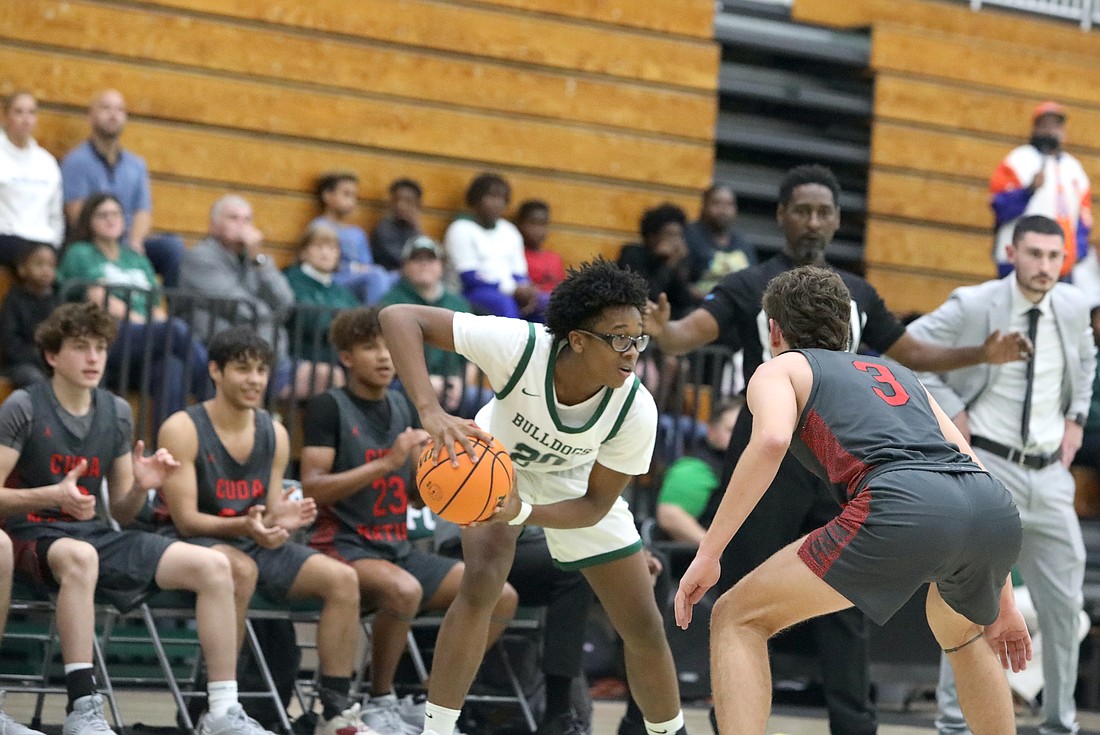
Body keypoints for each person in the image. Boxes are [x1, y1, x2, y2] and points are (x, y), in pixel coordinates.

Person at [647, 163, 1032, 735]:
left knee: (735, 616)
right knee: (962, 629)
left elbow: (771, 439)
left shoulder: (781, 367)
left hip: (900, 504)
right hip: (988, 510)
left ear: (773, 331)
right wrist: (1003, 603)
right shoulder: (897, 374)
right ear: (848, 328)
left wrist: (709, 552)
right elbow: (972, 466)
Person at [380, 258, 689, 735]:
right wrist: (429, 410)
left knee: (643, 624)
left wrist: (523, 511)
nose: (632, 352)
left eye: (638, 339)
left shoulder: (635, 408)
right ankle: (436, 730)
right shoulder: (520, 347)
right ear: (578, 340)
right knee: (482, 584)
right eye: (619, 338)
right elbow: (399, 316)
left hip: (575, 483)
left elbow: (595, 507)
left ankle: (671, 732)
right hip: (495, 463)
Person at [0, 302, 274, 735]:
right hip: (29, 530)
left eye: (100, 348)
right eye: (80, 347)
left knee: (215, 566)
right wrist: (52, 495)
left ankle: (221, 711)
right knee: (81, 557)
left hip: (92, 533)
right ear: (52, 355)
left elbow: (123, 513)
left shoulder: (116, 411)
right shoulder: (24, 405)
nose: (93, 357)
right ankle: (83, 708)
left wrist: (141, 487)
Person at [906, 214, 1095, 735]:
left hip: (1050, 474)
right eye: (1034, 253)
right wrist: (951, 410)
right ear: (1011, 253)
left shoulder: (1074, 306)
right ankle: (954, 723)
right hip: (989, 466)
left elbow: (1086, 361)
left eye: (1054, 256)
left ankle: (1060, 723)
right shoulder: (975, 304)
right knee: (967, 597)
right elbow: (907, 351)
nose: (1044, 265)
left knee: (1065, 605)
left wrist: (1077, 418)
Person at [299, 306, 518, 735]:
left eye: (388, 347)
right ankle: (380, 698)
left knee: (501, 596)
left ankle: (426, 698)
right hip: (341, 545)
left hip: (395, 546)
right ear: (346, 357)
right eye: (370, 347)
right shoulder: (328, 407)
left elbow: (420, 494)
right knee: (404, 590)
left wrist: (459, 478)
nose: (384, 356)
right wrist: (386, 463)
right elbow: (313, 486)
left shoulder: (402, 405)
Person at [154, 326, 370, 735]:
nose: (254, 379)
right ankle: (219, 710)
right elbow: (185, 520)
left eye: (261, 370)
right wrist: (251, 526)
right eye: (242, 369)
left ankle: (334, 711)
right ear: (215, 371)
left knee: (343, 579)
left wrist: (279, 521)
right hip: (190, 545)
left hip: (249, 540)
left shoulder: (276, 432)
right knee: (240, 569)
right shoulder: (182, 428)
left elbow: (268, 512)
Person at [58, 193, 209, 424]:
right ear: (89, 221)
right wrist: (143, 321)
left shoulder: (136, 258)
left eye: (116, 214)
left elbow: (157, 306)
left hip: (143, 337)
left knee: (172, 367)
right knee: (174, 330)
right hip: (105, 336)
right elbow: (98, 297)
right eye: (102, 215)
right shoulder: (80, 253)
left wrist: (151, 323)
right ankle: (214, 396)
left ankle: (167, 442)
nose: (111, 219)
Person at [59, 90, 185, 287]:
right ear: (90, 117)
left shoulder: (136, 165)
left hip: (128, 243)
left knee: (172, 248)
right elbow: (78, 214)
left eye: (119, 109)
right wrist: (109, 242)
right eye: (106, 108)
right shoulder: (76, 162)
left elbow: (143, 211)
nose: (113, 114)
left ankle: (171, 306)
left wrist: (135, 242)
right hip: (95, 243)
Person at [178, 195, 295, 397]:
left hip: (267, 355)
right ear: (213, 226)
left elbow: (285, 302)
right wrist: (274, 316)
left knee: (325, 376)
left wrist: (259, 261)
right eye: (233, 218)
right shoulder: (199, 258)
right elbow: (241, 308)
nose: (242, 225)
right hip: (219, 354)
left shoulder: (256, 259)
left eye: (247, 219)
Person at [990, 101, 1092, 278]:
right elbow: (999, 206)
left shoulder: (1074, 169)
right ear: (1035, 128)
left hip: (1061, 264)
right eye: (1045, 125)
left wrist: (1078, 252)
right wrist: (1028, 192)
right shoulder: (1018, 161)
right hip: (1017, 263)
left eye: (1055, 125)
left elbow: (1083, 218)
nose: (1050, 130)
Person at [378, 236, 475, 414]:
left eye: (430, 259)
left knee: (485, 400)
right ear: (404, 265)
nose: (424, 264)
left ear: (441, 266)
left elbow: (472, 356)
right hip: (404, 384)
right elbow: (384, 352)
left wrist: (461, 383)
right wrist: (424, 384)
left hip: (453, 386)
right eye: (416, 259)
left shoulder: (459, 303)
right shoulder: (391, 302)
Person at [443, 173, 539, 319]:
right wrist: (512, 290)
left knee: (545, 305)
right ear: (475, 199)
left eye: (502, 198)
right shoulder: (460, 229)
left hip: (509, 292)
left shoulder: (509, 230)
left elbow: (519, 273)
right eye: (492, 196)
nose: (497, 203)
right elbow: (469, 277)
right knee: (504, 304)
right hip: (468, 293)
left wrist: (526, 292)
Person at [283, 221, 358, 398]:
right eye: (318, 246)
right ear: (304, 251)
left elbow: (359, 321)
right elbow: (311, 321)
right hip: (300, 359)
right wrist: (343, 323)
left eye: (332, 248)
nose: (326, 253)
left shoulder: (339, 289)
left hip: (336, 360)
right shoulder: (291, 279)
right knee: (332, 376)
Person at [655, 398, 741, 546]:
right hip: (690, 557)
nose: (740, 437)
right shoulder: (694, 468)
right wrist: (715, 551)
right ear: (712, 431)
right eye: (732, 430)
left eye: (746, 432)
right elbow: (670, 515)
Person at [310, 172, 394, 305]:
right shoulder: (319, 227)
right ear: (327, 195)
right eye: (346, 194)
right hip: (335, 279)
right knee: (377, 276)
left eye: (354, 196)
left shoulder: (357, 233)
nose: (351, 201)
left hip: (359, 278)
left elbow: (367, 264)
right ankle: (375, 316)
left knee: (394, 277)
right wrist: (354, 268)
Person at [0, 91, 63, 267]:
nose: (26, 119)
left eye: (31, 112)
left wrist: (54, 242)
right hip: (6, 238)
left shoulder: (47, 162)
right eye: (18, 112)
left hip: (43, 241)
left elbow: (55, 214)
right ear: (5, 116)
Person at [616, 204, 695, 321]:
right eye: (669, 234)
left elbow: (684, 301)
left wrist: (679, 267)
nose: (675, 241)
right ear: (652, 236)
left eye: (679, 235)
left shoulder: (678, 260)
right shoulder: (632, 254)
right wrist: (667, 265)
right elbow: (648, 297)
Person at [0, 243, 59, 388]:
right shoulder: (14, 300)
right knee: (35, 379)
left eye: (51, 265)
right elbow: (10, 342)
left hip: (53, 362)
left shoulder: (57, 301)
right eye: (39, 264)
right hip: (20, 364)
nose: (46, 270)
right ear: (22, 269)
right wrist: (39, 357)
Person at [683, 184, 756, 300]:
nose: (723, 211)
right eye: (717, 203)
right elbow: (680, 283)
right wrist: (713, 301)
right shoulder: (688, 236)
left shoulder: (743, 243)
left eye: (729, 205)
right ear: (704, 206)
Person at [517, 199, 563, 322]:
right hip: (528, 311)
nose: (537, 230)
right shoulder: (517, 256)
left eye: (542, 224)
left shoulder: (554, 258)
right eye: (532, 223)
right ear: (520, 224)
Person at [372, 179, 424, 273]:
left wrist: (416, 228)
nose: (401, 206)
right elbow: (403, 260)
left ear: (417, 205)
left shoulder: (413, 229)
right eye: (397, 200)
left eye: (408, 201)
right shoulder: (384, 229)